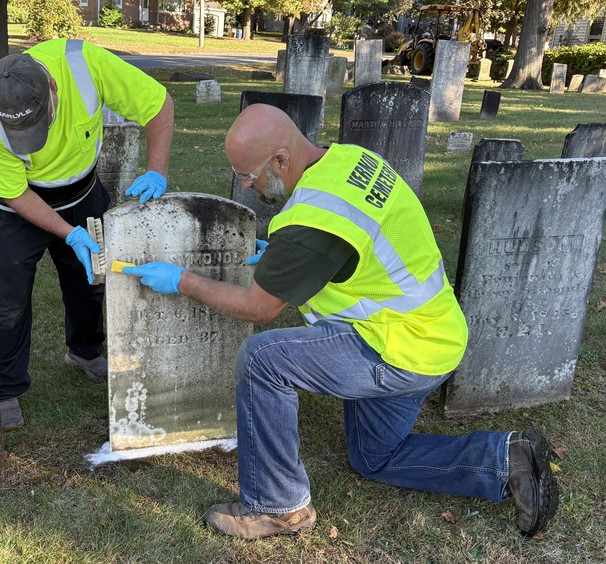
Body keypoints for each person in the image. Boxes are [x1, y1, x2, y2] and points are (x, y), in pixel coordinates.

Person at [123, 104, 559, 540]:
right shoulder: (348, 158)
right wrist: (281, 255)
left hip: (397, 349)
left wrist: (181, 280)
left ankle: (277, 507)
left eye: (248, 175)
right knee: (374, 457)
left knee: (263, 360)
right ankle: (506, 458)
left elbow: (258, 308)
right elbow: (339, 247)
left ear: (280, 159)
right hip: (435, 337)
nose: (246, 186)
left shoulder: (311, 222)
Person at [0, 38, 174, 431]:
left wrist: (158, 169)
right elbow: (14, 192)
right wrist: (69, 234)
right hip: (19, 206)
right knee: (10, 298)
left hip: (81, 193)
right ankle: (6, 388)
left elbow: (158, 105)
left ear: (53, 88)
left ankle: (84, 351)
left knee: (90, 279)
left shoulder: (85, 64)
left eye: (39, 123)